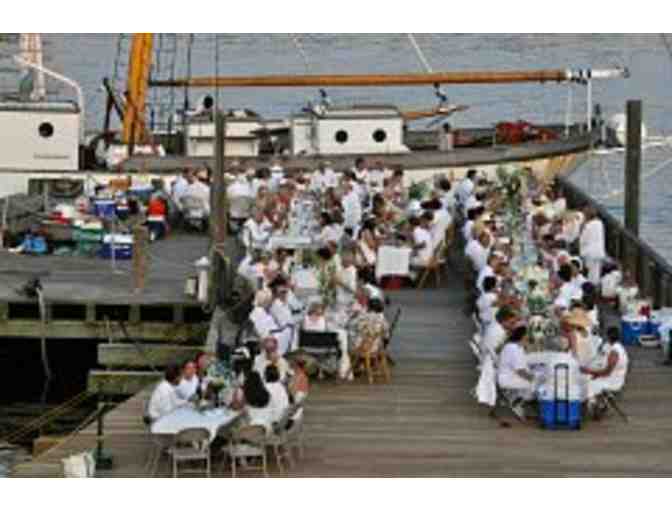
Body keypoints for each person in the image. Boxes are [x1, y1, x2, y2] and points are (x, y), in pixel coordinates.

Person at [581, 327, 629, 412]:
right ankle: (599, 403)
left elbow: (607, 372)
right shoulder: (619, 347)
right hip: (616, 376)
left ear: (608, 336)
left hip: (613, 380)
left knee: (588, 383)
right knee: (589, 377)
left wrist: (590, 371)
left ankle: (593, 406)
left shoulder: (614, 352)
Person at [497, 326, 535, 417]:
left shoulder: (513, 346)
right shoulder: (514, 349)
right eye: (528, 336)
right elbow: (520, 371)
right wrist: (533, 378)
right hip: (508, 378)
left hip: (508, 375)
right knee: (537, 386)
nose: (529, 338)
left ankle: (516, 398)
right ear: (523, 337)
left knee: (535, 380)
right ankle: (517, 402)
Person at [250, 290, 293, 355]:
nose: (271, 302)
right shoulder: (259, 312)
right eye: (269, 300)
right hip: (269, 338)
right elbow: (265, 330)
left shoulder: (264, 311)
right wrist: (284, 328)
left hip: (273, 335)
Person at [579, 206, 606, 286]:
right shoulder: (600, 223)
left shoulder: (588, 226)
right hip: (599, 251)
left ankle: (592, 288)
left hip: (590, 252)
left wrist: (582, 226)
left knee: (591, 273)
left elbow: (582, 240)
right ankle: (594, 287)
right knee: (596, 272)